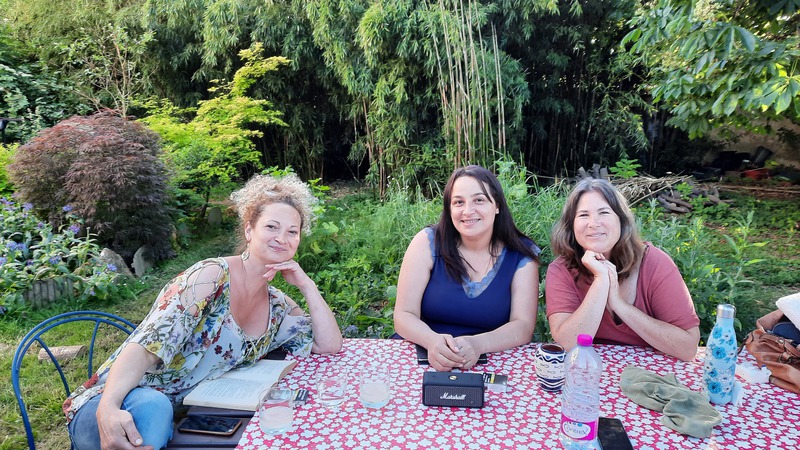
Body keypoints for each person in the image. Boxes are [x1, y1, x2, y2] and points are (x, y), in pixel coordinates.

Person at [64, 174, 342, 450]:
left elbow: (329, 345)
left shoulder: (277, 306)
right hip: (121, 402)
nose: (282, 238)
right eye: (272, 227)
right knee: (154, 406)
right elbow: (145, 347)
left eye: (292, 232)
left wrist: (307, 286)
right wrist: (108, 407)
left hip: (188, 419)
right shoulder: (211, 278)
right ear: (249, 230)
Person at [394, 165, 541, 372]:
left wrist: (478, 344)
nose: (468, 211)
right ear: (449, 208)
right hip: (423, 355)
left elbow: (523, 326)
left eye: (479, 200)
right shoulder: (427, 243)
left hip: (491, 361)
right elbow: (404, 314)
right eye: (458, 202)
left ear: (497, 205)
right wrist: (432, 341)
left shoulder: (521, 255)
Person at [545, 178, 700, 361]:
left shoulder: (655, 263)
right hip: (587, 371)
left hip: (650, 374)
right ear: (571, 225)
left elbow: (687, 348)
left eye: (604, 212)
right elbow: (568, 344)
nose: (593, 223)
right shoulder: (561, 270)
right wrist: (601, 280)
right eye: (583, 215)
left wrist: (619, 305)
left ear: (622, 220)